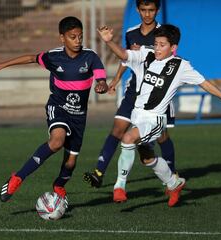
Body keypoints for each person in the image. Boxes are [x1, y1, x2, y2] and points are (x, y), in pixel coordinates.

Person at [97, 23, 221, 206]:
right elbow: (124, 55)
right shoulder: (146, 54)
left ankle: (119, 187)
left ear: (173, 47)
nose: (157, 48)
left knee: (127, 138)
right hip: (138, 116)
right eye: (156, 43)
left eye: (162, 45)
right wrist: (110, 42)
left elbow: (204, 83)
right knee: (147, 157)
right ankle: (174, 183)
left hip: (155, 119)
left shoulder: (181, 66)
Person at [0, 16, 108, 202]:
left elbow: (101, 79)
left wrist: (101, 85)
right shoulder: (54, 56)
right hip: (58, 107)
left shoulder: (90, 57)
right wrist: (2, 64)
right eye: (72, 37)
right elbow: (30, 58)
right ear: (62, 38)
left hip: (79, 116)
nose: (77, 41)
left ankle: (59, 185)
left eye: (80, 36)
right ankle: (17, 178)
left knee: (71, 162)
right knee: (57, 141)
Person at [84, 0, 177, 202]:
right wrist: (116, 80)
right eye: (143, 10)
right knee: (118, 129)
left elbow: (170, 59)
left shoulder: (164, 34)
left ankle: (172, 177)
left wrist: (145, 52)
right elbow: (126, 59)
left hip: (157, 93)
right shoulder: (131, 33)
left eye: (151, 10)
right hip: (134, 90)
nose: (147, 14)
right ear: (137, 10)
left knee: (161, 137)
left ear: (157, 10)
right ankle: (99, 173)